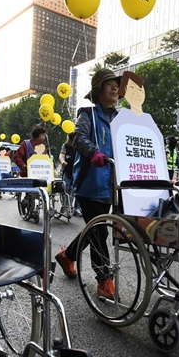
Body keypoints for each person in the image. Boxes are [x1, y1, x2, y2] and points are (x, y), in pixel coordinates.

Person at [54, 68, 121, 299]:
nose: (114, 88)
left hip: (112, 186)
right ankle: (104, 279)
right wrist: (93, 152)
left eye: (116, 85)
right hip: (89, 184)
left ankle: (67, 256)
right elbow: (79, 138)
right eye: (109, 84)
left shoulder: (119, 118)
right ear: (98, 89)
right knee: (100, 233)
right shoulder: (87, 114)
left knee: (95, 229)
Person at [59, 132, 82, 216]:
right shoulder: (65, 146)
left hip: (77, 172)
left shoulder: (79, 147)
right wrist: (62, 161)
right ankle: (65, 207)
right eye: (68, 139)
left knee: (77, 191)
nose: (68, 141)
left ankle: (77, 208)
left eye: (70, 140)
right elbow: (61, 155)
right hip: (68, 172)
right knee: (66, 189)